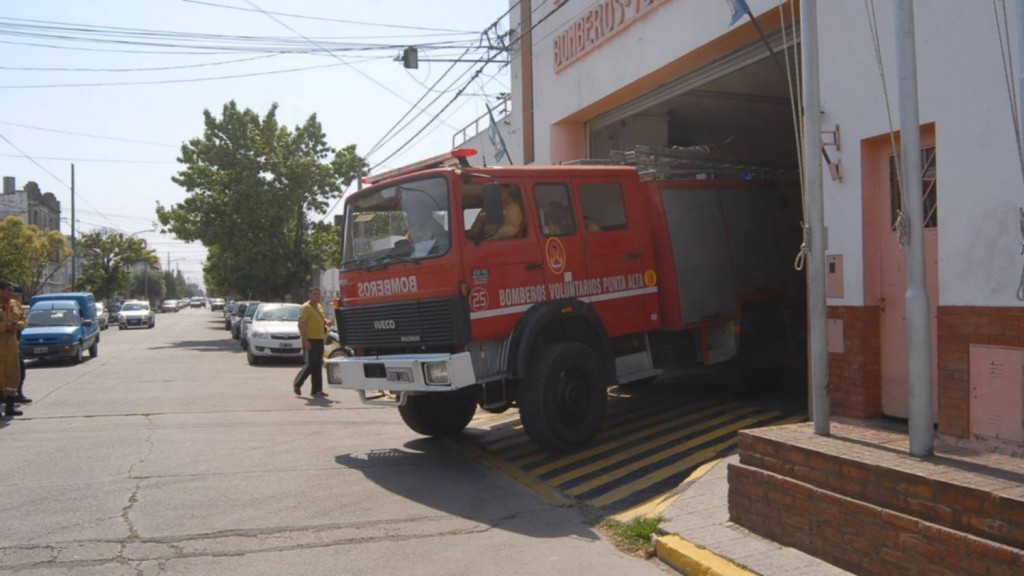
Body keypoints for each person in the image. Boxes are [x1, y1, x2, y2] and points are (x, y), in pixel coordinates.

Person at [294, 287, 331, 398]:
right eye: (314, 294)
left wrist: (326, 322)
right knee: (310, 364)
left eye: (318, 294)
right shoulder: (306, 307)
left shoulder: (319, 306)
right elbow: (301, 324)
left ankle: (317, 390)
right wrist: (305, 339)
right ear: (309, 295)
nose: (317, 296)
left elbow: (321, 319)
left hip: (320, 339)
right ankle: (297, 384)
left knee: (318, 365)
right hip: (310, 339)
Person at [0, 280, 26, 418]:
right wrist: (5, 327)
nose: (11, 293)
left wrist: (20, 324)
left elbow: (23, 318)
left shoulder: (15, 304)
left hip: (12, 346)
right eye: (8, 290)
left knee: (12, 376)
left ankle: (10, 407)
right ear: (1, 291)